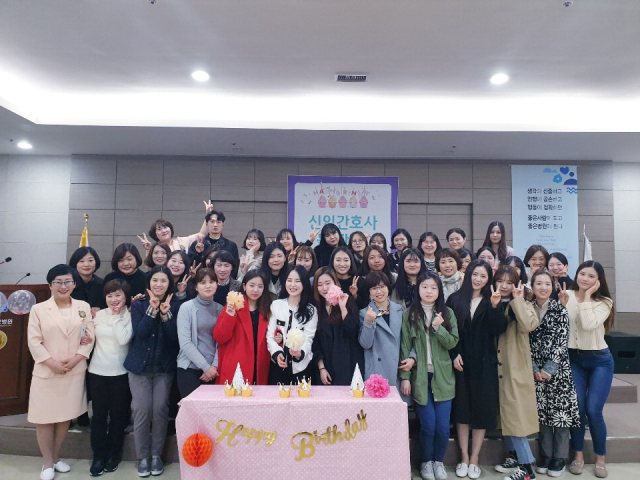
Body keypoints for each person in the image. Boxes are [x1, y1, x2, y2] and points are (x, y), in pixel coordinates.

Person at [27, 264, 95, 480]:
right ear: (50, 285)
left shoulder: (83, 307)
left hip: (73, 371)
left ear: (74, 284)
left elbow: (90, 337)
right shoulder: (38, 309)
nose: (63, 286)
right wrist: (52, 363)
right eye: (58, 282)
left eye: (67, 282)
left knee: (65, 417)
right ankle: (47, 462)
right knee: (45, 419)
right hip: (47, 372)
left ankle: (56, 458)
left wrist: (76, 359)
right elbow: (34, 341)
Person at [446, 260, 508, 480]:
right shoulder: (455, 299)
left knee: (481, 411)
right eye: (475, 274)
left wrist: (495, 307)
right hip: (461, 362)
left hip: (484, 364)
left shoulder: (493, 299)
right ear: (468, 274)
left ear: (488, 279)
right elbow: (448, 330)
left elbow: (498, 329)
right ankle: (463, 457)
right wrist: (454, 354)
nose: (478, 279)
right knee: (462, 411)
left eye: (483, 276)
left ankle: (475, 458)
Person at [399, 272, 459, 480]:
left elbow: (452, 342)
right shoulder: (409, 314)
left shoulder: (447, 313)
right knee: (428, 425)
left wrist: (438, 328)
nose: (429, 291)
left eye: (433, 287)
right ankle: (425, 462)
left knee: (443, 427)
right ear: (418, 289)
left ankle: (438, 462)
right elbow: (405, 346)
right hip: (420, 377)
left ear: (439, 290)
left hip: (443, 376)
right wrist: (405, 376)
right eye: (424, 287)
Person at [558, 261, 615, 478]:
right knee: (578, 410)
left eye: (591, 276)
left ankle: (600, 458)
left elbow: (589, 324)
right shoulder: (567, 295)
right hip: (574, 359)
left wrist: (587, 297)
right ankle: (578, 456)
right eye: (582, 274)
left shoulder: (605, 301)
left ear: (599, 280)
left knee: (593, 411)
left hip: (600, 360)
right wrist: (563, 305)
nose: (585, 279)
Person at [124, 266, 180, 478]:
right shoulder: (139, 304)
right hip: (140, 367)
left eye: (163, 281)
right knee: (141, 411)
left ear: (169, 284)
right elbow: (141, 332)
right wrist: (152, 309)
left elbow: (174, 337)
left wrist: (165, 314)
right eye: (155, 280)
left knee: (160, 411)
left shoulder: (176, 305)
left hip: (163, 368)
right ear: (149, 283)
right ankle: (143, 457)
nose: (159, 284)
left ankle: (156, 455)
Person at [529, 270, 580, 478]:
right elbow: (524, 342)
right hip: (534, 371)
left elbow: (561, 342)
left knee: (560, 416)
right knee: (542, 415)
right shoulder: (527, 309)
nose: (543, 287)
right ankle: (545, 455)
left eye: (547, 284)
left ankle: (559, 457)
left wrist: (548, 370)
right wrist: (534, 369)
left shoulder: (560, 310)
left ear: (553, 287)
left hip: (558, 371)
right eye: (539, 283)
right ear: (532, 286)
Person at [492, 266, 540, 480]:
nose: (504, 286)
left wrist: (518, 300)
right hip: (495, 366)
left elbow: (529, 325)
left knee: (515, 415)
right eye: (500, 280)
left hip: (515, 368)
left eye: (509, 282)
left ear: (517, 284)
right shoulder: (491, 302)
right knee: (506, 414)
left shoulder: (524, 304)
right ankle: (513, 456)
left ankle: (527, 466)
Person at [87, 279, 133, 477]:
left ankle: (113, 455)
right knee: (98, 416)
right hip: (97, 372)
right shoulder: (98, 315)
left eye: (118, 295)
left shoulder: (130, 315)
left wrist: (115, 317)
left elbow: (123, 340)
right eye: (110, 295)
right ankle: (98, 456)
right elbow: (88, 338)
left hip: (120, 373)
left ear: (126, 297)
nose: (113, 299)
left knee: (117, 416)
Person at [214, 270, 273, 385]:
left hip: (260, 366)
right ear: (244, 286)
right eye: (252, 285)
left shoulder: (268, 309)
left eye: (260, 286)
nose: (255, 290)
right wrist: (229, 316)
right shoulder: (234, 305)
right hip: (236, 365)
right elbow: (219, 337)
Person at [266, 266, 318, 384]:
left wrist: (300, 353)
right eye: (289, 280)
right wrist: (277, 353)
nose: (292, 285)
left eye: (297, 281)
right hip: (277, 368)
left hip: (301, 368)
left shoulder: (311, 310)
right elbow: (270, 335)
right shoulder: (276, 305)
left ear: (304, 283)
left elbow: (308, 338)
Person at [312, 267, 364, 386]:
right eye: (320, 285)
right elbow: (315, 342)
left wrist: (342, 307)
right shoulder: (315, 307)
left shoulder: (347, 300)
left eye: (328, 283)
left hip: (348, 362)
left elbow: (353, 331)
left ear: (335, 283)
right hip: (326, 365)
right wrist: (321, 368)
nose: (324, 288)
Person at [176, 268, 221, 398]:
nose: (208, 286)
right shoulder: (186, 307)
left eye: (211, 282)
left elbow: (222, 342)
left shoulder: (220, 309)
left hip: (214, 371)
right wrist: (206, 367)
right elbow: (185, 343)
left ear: (216, 284)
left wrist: (214, 367)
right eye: (203, 282)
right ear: (196, 287)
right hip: (189, 369)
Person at [358, 271, 404, 388]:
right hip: (376, 370)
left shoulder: (399, 310)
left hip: (399, 368)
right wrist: (368, 322)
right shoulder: (364, 313)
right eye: (374, 288)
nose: (379, 291)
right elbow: (366, 344)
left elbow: (408, 339)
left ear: (388, 288)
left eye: (382, 287)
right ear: (369, 292)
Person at [137, 201, 211, 253]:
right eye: (159, 229)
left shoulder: (182, 241)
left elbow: (202, 234)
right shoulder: (155, 249)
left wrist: (208, 215)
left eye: (165, 227)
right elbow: (149, 268)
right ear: (155, 235)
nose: (163, 231)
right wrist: (148, 250)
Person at [188, 210, 240, 277]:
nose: (215, 225)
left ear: (223, 225)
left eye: (218, 222)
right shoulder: (196, 245)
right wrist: (198, 253)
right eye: (212, 222)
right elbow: (190, 266)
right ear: (206, 224)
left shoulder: (231, 245)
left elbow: (234, 269)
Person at [100, 243, 147, 307]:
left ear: (136, 259)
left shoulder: (145, 279)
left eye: (129, 259)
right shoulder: (110, 278)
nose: (125, 264)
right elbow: (102, 302)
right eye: (121, 260)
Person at [69, 246, 104, 317]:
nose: (86, 264)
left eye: (90, 260)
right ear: (75, 263)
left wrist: (100, 310)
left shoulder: (102, 284)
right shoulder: (68, 284)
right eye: (81, 261)